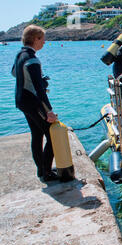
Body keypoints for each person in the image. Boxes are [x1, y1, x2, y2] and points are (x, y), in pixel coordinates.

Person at [11, 25, 58, 182]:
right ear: (35, 39)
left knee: (37, 135)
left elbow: (13, 73)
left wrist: (28, 80)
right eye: (42, 39)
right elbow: (39, 90)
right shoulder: (32, 59)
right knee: (52, 136)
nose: (44, 42)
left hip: (21, 100)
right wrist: (49, 111)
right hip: (32, 102)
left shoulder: (20, 54)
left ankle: (41, 171)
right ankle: (46, 172)